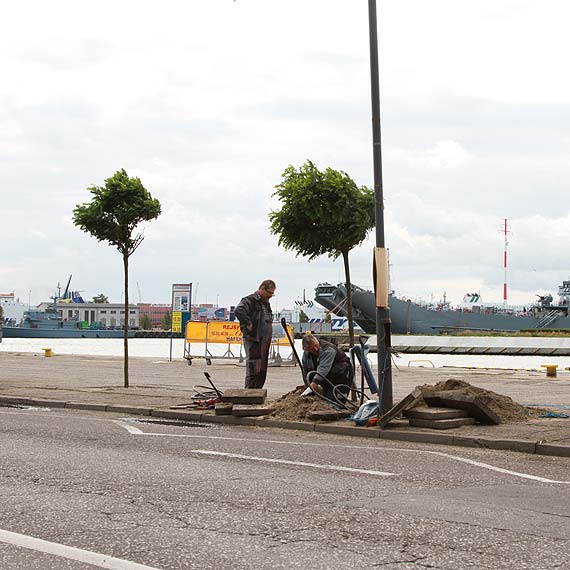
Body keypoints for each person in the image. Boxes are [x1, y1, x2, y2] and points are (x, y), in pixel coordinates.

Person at [235, 280, 276, 389]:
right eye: (269, 293)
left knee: (262, 370)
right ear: (262, 289)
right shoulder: (250, 300)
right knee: (254, 369)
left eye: (272, 293)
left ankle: (257, 392)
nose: (271, 296)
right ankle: (249, 394)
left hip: (264, 342)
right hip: (254, 341)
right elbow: (239, 310)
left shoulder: (265, 302)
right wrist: (248, 324)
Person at [301, 334, 353, 405]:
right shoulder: (306, 355)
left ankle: (339, 405)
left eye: (316, 346)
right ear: (306, 349)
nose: (316, 349)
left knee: (336, 402)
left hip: (341, 376)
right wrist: (308, 387)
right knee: (326, 399)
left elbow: (323, 369)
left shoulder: (328, 350)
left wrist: (311, 388)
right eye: (312, 348)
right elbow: (306, 372)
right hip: (328, 378)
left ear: (317, 341)